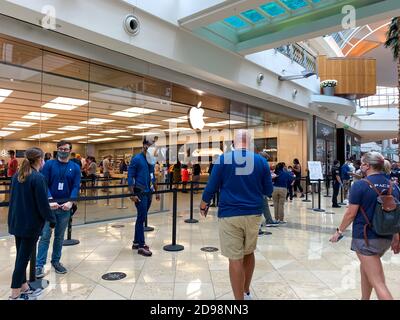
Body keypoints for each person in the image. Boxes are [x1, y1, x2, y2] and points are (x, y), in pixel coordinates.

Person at [200, 129, 273, 300]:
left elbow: (212, 186)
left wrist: (204, 204)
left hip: (230, 214)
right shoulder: (261, 161)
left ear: (233, 143)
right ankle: (246, 291)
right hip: (254, 214)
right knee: (249, 252)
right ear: (250, 143)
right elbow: (268, 190)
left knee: (235, 258)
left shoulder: (223, 160)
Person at [330, 151, 400, 300]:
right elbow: (395, 214)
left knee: (379, 283)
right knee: (366, 269)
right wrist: (396, 236)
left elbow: (350, 214)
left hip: (366, 239)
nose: (360, 166)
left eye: (362, 163)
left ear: (367, 165)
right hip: (385, 238)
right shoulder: (393, 186)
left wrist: (339, 231)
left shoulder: (360, 185)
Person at [7, 148, 56, 300]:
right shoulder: (38, 178)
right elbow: (42, 205)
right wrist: (52, 219)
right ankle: (15, 293)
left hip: (17, 222)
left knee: (21, 256)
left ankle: (24, 286)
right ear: (39, 160)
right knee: (23, 258)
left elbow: (16, 200)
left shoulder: (17, 176)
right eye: (43, 159)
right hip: (30, 225)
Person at [35, 140, 81, 277]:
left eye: (66, 149)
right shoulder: (49, 165)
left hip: (65, 208)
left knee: (59, 237)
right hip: (49, 208)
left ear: (70, 150)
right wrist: (49, 200)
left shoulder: (75, 167)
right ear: (57, 150)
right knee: (45, 236)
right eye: (61, 148)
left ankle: (56, 261)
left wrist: (70, 202)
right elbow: (44, 183)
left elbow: (76, 186)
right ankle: (39, 265)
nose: (63, 151)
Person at [128, 137, 160, 257]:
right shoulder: (136, 159)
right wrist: (132, 193)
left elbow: (152, 176)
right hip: (140, 191)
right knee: (141, 218)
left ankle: (136, 242)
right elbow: (130, 176)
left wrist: (156, 191)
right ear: (145, 145)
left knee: (142, 217)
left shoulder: (150, 160)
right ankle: (141, 245)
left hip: (148, 192)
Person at [258, 151, 279, 235]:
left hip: (259, 189)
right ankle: (259, 225)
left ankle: (269, 220)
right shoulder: (262, 164)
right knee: (260, 207)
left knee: (264, 206)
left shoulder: (255, 164)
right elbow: (265, 179)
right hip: (260, 190)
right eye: (266, 159)